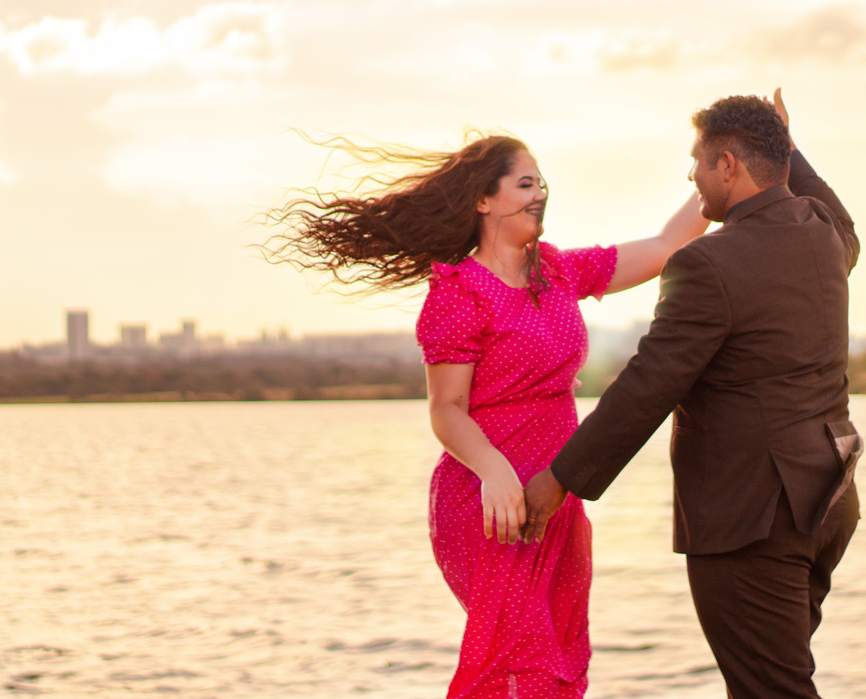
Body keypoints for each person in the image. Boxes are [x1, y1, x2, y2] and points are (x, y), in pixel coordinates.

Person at [269, 132, 709, 698]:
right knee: (522, 666)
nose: (540, 195)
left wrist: (732, 164)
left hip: (555, 498)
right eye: (525, 184)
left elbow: (667, 244)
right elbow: (445, 409)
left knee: (560, 664)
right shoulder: (459, 291)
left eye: (541, 184)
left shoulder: (558, 272)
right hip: (488, 504)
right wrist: (495, 471)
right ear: (483, 199)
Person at [523, 91, 863, 699]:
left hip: (752, 518)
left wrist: (560, 478)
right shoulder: (823, 233)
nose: (691, 176)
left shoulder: (709, 262)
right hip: (828, 503)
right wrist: (787, 144)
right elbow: (845, 225)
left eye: (698, 161)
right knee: (777, 682)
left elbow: (649, 384)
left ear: (727, 165)